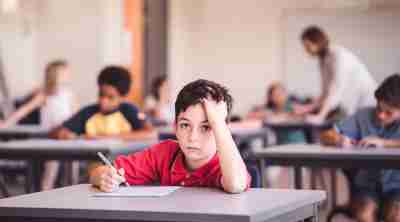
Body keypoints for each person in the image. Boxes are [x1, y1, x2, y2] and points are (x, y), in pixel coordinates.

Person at [89, 79, 250, 193]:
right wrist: (104, 177)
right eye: (185, 125)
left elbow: (235, 184)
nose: (193, 137)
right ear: (175, 127)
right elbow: (100, 172)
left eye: (206, 127)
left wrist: (219, 123)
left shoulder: (226, 164)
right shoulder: (165, 154)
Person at [321, 74, 400, 222]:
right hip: (367, 188)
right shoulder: (363, 115)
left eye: (389, 112)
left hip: (397, 187)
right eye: (379, 108)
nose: (381, 115)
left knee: (396, 217)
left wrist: (384, 143)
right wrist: (339, 139)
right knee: (364, 215)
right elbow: (326, 135)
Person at [0, 60, 77, 190]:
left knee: (72, 171)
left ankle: (74, 192)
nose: (68, 76)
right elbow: (23, 111)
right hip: (51, 138)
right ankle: (44, 194)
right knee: (50, 172)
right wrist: (5, 124)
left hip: (68, 136)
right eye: (65, 73)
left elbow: (77, 115)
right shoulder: (44, 94)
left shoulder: (69, 94)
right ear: (55, 75)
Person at [50, 65, 156, 141]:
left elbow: (151, 134)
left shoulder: (131, 110)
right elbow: (57, 131)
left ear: (122, 97)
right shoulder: (88, 112)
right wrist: (63, 134)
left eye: (110, 97)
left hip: (124, 170)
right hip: (96, 170)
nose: (103, 101)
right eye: (101, 95)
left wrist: (103, 138)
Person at [297, 26, 377, 124]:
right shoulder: (323, 60)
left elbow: (335, 89)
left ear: (317, 41)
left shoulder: (338, 55)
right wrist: (306, 108)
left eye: (308, 46)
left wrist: (320, 116)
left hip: (367, 101)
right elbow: (325, 93)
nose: (306, 50)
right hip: (353, 105)